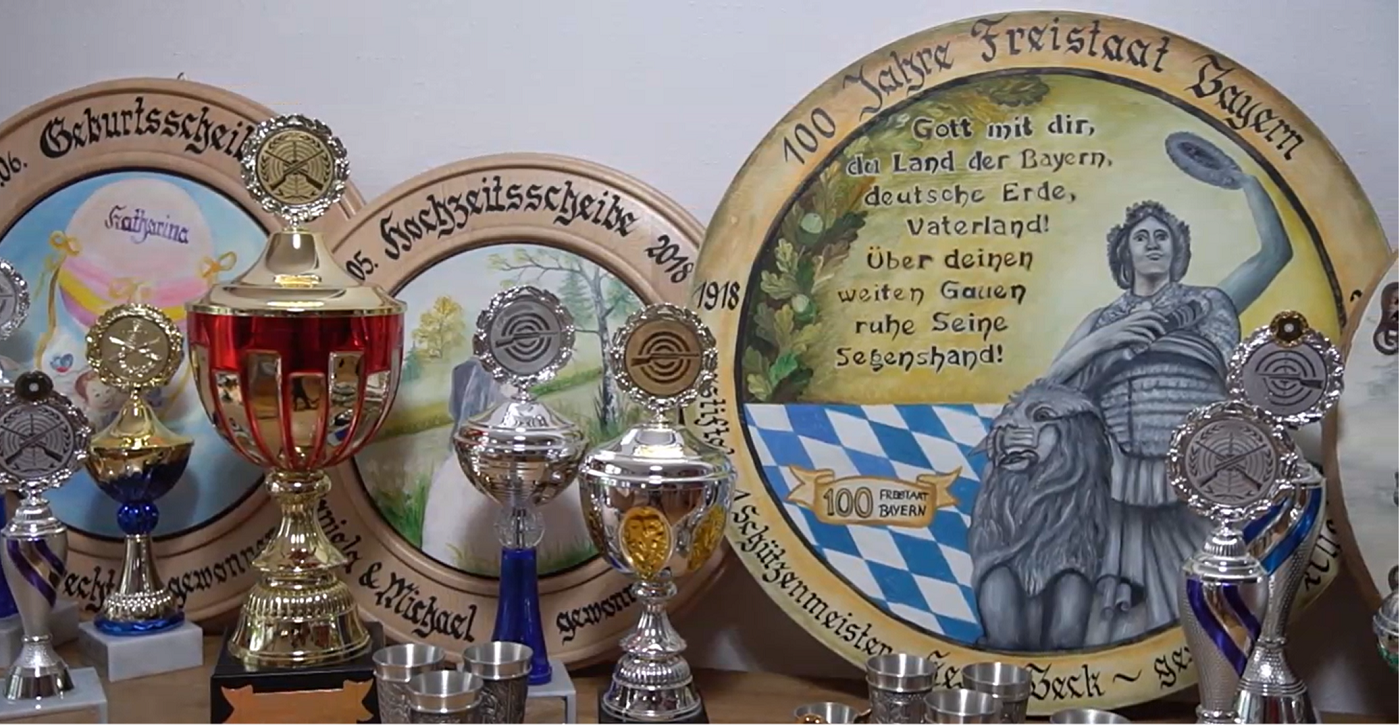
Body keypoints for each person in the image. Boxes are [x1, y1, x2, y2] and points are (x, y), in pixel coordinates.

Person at [1043, 171, 1292, 645]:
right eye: (1141, 237)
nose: (1153, 244)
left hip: (1199, 474)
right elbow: (1046, 390)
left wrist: (1247, 182)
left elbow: (1275, 254)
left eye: (1163, 236)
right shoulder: (1101, 320)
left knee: (1208, 597)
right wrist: (1102, 341)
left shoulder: (1209, 303)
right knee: (1119, 616)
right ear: (1125, 253)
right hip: (1118, 484)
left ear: (1178, 250)